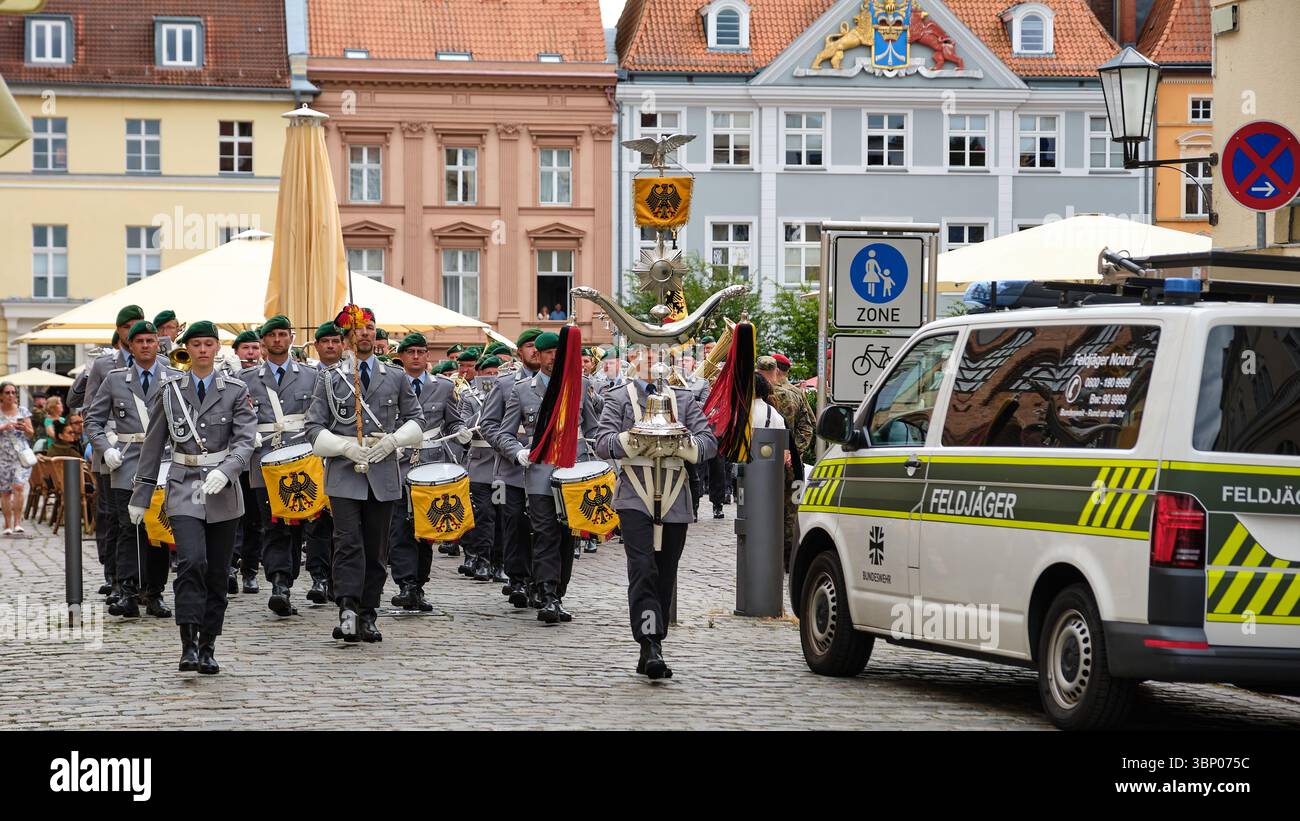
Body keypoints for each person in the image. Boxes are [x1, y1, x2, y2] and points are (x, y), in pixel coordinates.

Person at [128, 321, 257, 674]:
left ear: (217, 348)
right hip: (183, 485)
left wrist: (228, 470)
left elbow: (246, 440)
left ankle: (208, 645)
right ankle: (187, 642)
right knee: (191, 562)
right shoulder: (170, 392)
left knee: (217, 572)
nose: (202, 350)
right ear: (188, 348)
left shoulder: (235, 389)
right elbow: (153, 445)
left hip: (223, 492)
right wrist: (141, 495)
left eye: (208, 344)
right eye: (196, 344)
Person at [594, 357, 718, 678]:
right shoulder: (619, 397)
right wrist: (635, 440)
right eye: (646, 353)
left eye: (659, 355)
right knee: (642, 567)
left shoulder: (684, 399)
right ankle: (650, 643)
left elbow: (709, 442)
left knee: (665, 572)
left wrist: (682, 444)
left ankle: (652, 644)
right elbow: (603, 443)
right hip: (634, 493)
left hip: (675, 493)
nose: (653, 361)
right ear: (635, 359)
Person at [305, 307, 424, 643]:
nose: (366, 333)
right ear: (347, 337)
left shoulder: (395, 376)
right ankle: (347, 612)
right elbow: (313, 426)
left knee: (376, 549)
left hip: (383, 471)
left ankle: (368, 614)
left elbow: (417, 419)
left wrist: (394, 441)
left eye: (370, 327)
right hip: (345, 472)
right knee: (347, 545)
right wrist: (344, 447)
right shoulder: (330, 378)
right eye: (358, 328)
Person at [495, 331, 601, 624]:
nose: (554, 357)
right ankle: (548, 594)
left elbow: (593, 429)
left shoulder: (580, 386)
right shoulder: (522, 390)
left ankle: (559, 592)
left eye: (558, 352)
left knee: (568, 535)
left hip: (573, 472)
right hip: (540, 471)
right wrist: (517, 452)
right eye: (549, 353)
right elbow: (504, 432)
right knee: (545, 533)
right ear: (538, 356)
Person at [86, 320, 180, 617]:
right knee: (128, 528)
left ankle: (154, 593)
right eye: (139, 341)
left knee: (157, 531)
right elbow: (93, 420)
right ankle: (127, 590)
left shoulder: (174, 376)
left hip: (163, 463)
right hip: (126, 462)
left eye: (150, 340)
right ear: (130, 345)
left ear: (158, 343)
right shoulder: (115, 379)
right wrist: (106, 448)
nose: (145, 346)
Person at [240, 315, 318, 618]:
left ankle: (287, 577)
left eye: (282, 334)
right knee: (272, 525)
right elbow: (239, 418)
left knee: (298, 526)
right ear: (262, 341)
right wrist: (248, 435)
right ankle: (279, 584)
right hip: (265, 461)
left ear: (291, 338)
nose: (277, 339)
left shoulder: (311, 376)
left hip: (302, 461)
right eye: (271, 335)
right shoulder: (246, 379)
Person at [388, 332, 468, 611]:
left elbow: (452, 421)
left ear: (427, 356)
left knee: (426, 529)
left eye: (421, 352)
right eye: (410, 352)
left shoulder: (443, 387)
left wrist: (461, 431)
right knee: (400, 527)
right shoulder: (390, 383)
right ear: (402, 356)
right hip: (399, 462)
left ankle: (418, 585)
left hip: (431, 464)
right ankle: (405, 584)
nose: (416, 357)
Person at [71, 304, 145, 594]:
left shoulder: (156, 360)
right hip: (111, 448)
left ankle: (142, 580)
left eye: (137, 325)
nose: (133, 331)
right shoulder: (104, 365)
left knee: (143, 515)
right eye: (127, 327)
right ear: (119, 331)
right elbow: (89, 409)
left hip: (144, 450)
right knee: (113, 516)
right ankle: (114, 577)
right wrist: (106, 441)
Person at [480, 328, 543, 608]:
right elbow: (488, 425)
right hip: (511, 468)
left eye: (539, 346)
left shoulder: (556, 383)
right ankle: (517, 578)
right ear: (520, 352)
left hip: (546, 467)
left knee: (543, 525)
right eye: (529, 346)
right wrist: (514, 450)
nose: (535, 351)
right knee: (514, 522)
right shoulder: (505, 384)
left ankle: (540, 581)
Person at [758, 355, 813, 566]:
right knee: (791, 510)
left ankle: (767, 556)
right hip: (792, 462)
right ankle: (789, 557)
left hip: (764, 460)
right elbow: (808, 425)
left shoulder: (760, 394)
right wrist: (794, 452)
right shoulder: (796, 393)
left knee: (764, 506)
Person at [303, 321, 343, 604]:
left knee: (344, 524)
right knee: (317, 522)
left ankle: (340, 579)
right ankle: (319, 577)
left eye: (336, 341)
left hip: (345, 455)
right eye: (325, 341)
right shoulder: (307, 376)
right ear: (316, 346)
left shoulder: (353, 375)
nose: (330, 346)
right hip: (313, 455)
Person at [457, 354, 506, 584]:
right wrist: (486, 407)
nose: (492, 377)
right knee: (483, 513)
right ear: (479, 375)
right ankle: (482, 560)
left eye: (496, 373)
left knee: (501, 514)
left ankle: (499, 563)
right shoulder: (469, 397)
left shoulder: (510, 394)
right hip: (479, 463)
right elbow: (463, 426)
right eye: (488, 374)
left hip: (501, 463)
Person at [0, 382, 34, 536]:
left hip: (21, 457)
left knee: (19, 487)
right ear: (1, 395)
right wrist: (4, 427)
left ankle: (17, 523)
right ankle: (7, 524)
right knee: (5, 492)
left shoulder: (22, 411)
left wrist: (24, 428)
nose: (11, 395)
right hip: (3, 458)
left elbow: (31, 433)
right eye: (7, 392)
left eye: (13, 392)